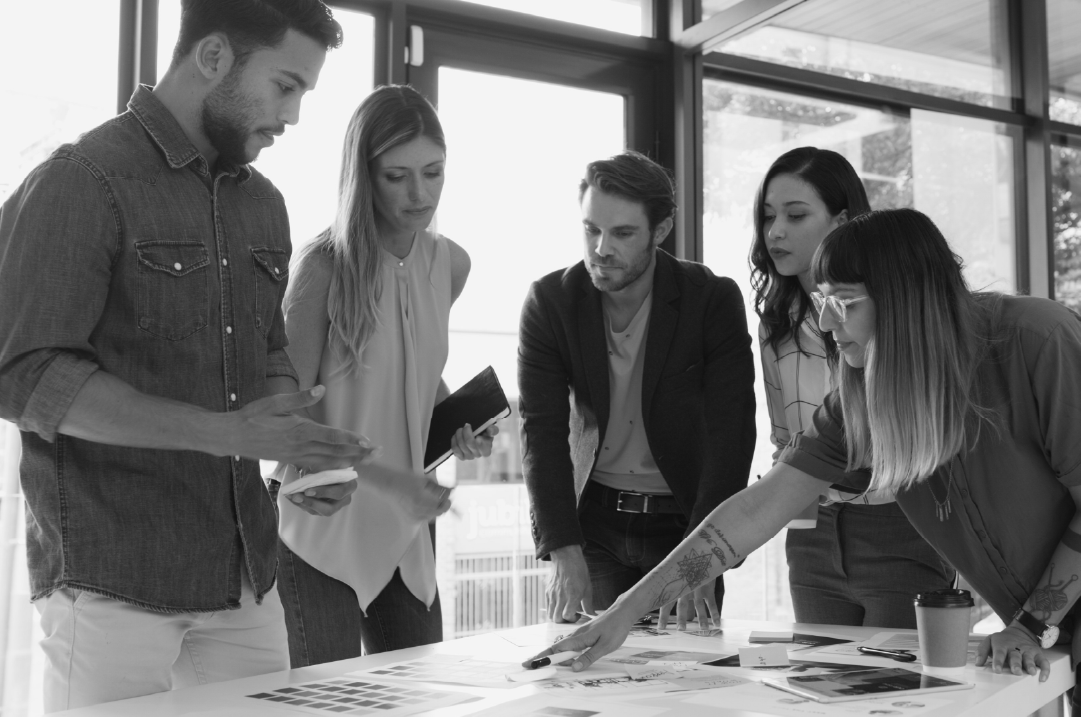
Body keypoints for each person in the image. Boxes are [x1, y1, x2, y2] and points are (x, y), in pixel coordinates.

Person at [0, 0, 411, 711]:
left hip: (245, 573)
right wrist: (221, 432)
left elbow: (267, 352)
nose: (293, 115)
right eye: (285, 86)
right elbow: (26, 374)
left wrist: (301, 452)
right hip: (109, 581)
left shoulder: (266, 205)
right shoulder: (82, 179)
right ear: (214, 57)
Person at [528, 207, 1081, 690]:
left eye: (843, 302)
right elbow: (760, 507)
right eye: (822, 299)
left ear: (905, 299)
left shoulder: (1039, 340)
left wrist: (1033, 622)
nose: (824, 321)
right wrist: (626, 611)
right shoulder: (859, 399)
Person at [273, 84, 494, 666]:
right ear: (363, 175)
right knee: (324, 709)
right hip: (320, 529)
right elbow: (283, 411)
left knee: (423, 703)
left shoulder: (452, 264)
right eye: (396, 176)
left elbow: (415, 375)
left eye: (433, 171)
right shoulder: (322, 267)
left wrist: (460, 425)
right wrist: (394, 481)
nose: (419, 194)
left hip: (407, 537)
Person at [518, 150, 756, 629]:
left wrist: (705, 556)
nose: (601, 248)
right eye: (591, 229)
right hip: (595, 528)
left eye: (623, 233)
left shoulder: (711, 300)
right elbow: (540, 433)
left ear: (661, 229)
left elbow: (732, 436)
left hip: (685, 528)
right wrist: (563, 552)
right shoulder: (551, 303)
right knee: (593, 681)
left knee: (683, 687)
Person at [753, 147, 954, 627]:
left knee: (897, 690)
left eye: (795, 215)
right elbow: (788, 440)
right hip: (815, 526)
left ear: (842, 220)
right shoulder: (775, 322)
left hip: (900, 516)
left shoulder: (894, 312)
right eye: (767, 216)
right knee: (823, 684)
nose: (775, 231)